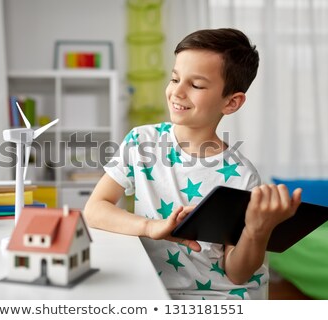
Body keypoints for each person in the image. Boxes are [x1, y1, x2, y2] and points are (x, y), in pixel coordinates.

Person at [83, 28, 302, 299]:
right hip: (155, 292)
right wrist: (151, 227)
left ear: (231, 102)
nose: (178, 92)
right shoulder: (141, 141)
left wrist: (258, 231)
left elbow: (238, 273)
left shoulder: (242, 177)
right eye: (175, 78)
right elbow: (94, 209)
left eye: (196, 85)